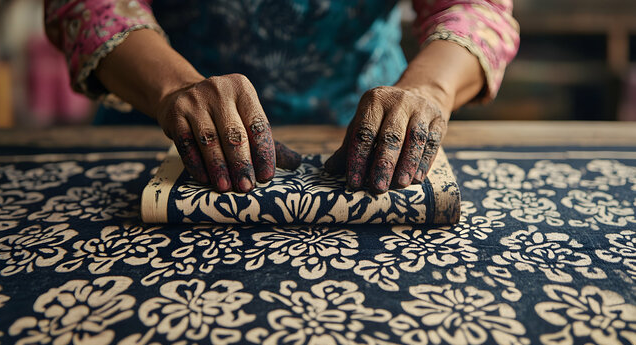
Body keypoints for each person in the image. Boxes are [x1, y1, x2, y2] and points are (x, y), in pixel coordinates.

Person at [44, 0, 519, 194]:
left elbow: (473, 8)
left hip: (375, 131)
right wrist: (172, 89)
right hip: (168, 124)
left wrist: (429, 89)